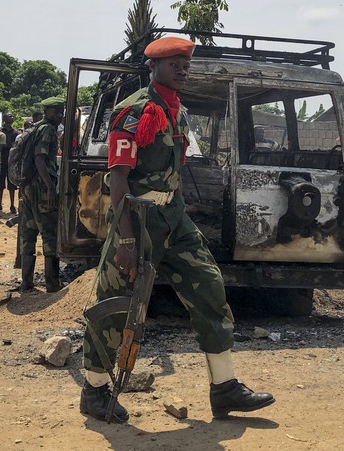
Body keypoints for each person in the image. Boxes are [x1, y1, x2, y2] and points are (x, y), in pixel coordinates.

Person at [80, 36, 274, 423]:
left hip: (174, 217)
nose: (182, 69)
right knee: (115, 303)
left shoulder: (177, 112)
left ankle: (224, 388)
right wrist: (128, 239)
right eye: (174, 63)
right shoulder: (133, 112)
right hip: (136, 219)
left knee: (209, 288)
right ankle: (95, 391)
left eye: (185, 63)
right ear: (154, 67)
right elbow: (118, 180)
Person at [17, 97, 64, 293]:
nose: (59, 115)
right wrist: (50, 188)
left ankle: (27, 282)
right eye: (55, 111)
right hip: (41, 188)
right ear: (46, 112)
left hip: (28, 187)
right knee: (49, 233)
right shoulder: (48, 130)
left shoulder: (36, 127)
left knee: (28, 232)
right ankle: (52, 283)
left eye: (61, 111)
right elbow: (39, 159)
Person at [0, 112, 19, 214]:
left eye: (12, 116)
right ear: (4, 118)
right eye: (10, 116)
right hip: (1, 159)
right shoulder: (0, 132)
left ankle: (12, 204)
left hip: (11, 160)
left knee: (12, 184)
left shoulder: (15, 132)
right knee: (0, 183)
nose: (12, 117)